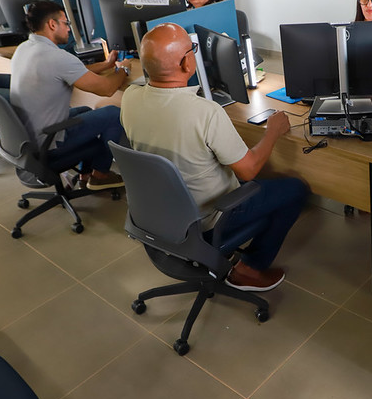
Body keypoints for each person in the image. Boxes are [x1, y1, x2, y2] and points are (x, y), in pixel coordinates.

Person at [120, 22, 309, 292]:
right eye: (192, 49)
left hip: (160, 216)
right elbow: (248, 171)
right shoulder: (205, 112)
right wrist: (272, 132)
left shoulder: (130, 97)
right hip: (209, 219)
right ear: (186, 63)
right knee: (295, 190)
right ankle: (251, 268)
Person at [9, 0, 128, 190]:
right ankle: (100, 175)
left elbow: (73, 71)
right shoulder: (56, 57)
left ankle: (85, 174)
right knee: (113, 114)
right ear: (52, 24)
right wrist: (123, 70)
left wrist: (106, 65)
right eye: (66, 23)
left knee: (85, 109)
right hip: (49, 143)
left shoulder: (25, 48)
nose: (69, 29)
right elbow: (106, 89)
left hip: (28, 139)